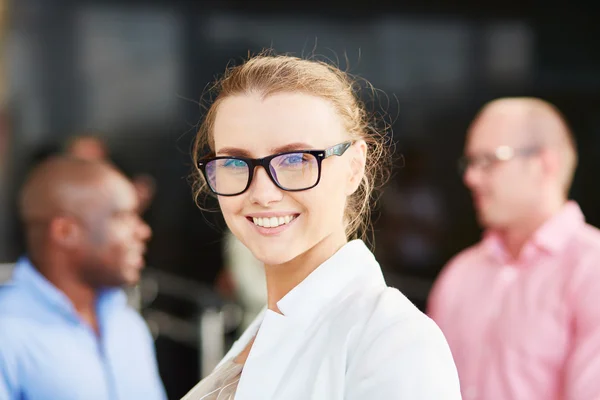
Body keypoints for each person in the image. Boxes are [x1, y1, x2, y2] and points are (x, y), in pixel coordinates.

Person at [182, 53, 461, 399]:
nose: (263, 194)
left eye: (296, 159)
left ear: (354, 167)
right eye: (236, 162)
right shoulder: (265, 330)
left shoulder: (391, 340)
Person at [427, 97, 600, 400]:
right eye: (469, 163)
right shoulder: (459, 273)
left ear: (544, 164)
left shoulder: (591, 269)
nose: (471, 177)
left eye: (488, 161)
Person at [0, 156, 167, 400]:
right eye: (122, 217)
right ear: (65, 232)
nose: (143, 231)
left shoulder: (128, 324)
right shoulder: (8, 331)